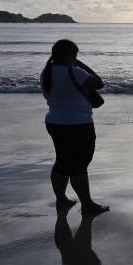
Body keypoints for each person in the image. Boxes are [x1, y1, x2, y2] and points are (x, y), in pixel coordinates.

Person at [40, 39, 109, 215]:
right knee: (80, 164)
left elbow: (48, 96)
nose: (76, 58)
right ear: (70, 55)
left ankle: (61, 199)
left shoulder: (46, 73)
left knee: (62, 161)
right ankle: (87, 204)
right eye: (76, 55)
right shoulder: (76, 72)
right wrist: (80, 64)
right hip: (79, 124)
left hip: (55, 122)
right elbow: (99, 83)